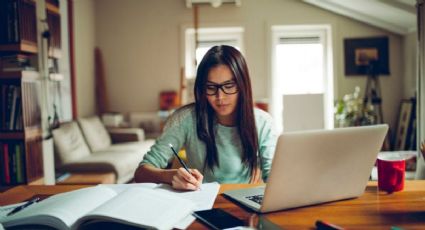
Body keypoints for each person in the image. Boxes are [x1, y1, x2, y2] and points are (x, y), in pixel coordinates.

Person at [134, 45, 277, 190]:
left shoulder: (263, 122)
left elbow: (274, 177)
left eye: (229, 85)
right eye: (211, 87)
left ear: (242, 85)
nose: (220, 97)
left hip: (243, 204)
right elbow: (141, 174)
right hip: (200, 203)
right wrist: (170, 176)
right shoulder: (185, 119)